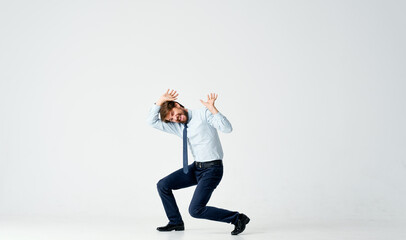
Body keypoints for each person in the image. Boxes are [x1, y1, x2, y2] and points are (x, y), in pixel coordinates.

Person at [146, 89, 250, 235]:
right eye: (171, 120)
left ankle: (237, 218)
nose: (175, 119)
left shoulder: (203, 113)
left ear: (177, 104)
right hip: (195, 168)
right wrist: (160, 101)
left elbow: (227, 129)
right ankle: (175, 222)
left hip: (212, 169)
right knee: (163, 185)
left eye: (172, 114)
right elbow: (151, 121)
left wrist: (213, 109)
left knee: (196, 210)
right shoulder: (178, 127)